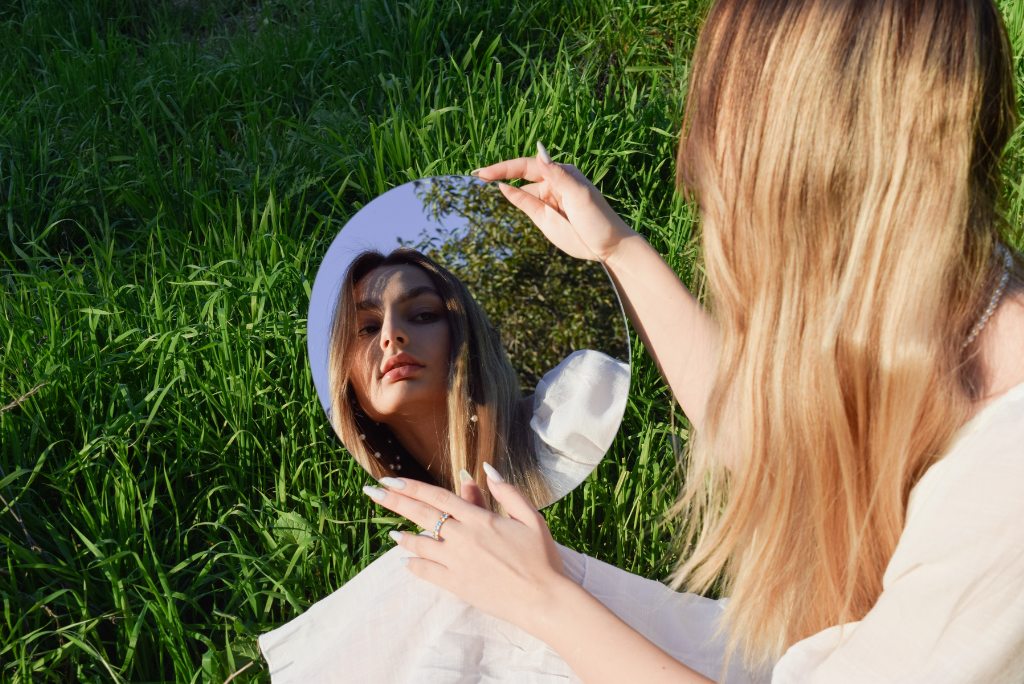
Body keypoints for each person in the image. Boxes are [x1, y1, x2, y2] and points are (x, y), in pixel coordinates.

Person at [349, 0, 1024, 682]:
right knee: (437, 595)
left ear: (821, 179)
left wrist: (543, 600)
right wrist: (616, 248)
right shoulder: (950, 292)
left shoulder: (1008, 474)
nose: (692, 164)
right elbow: (769, 439)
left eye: (724, 141)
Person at [326, 247, 629, 509]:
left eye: (423, 315)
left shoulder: (578, 409)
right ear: (344, 374)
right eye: (367, 328)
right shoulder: (362, 514)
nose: (391, 335)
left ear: (465, 335)